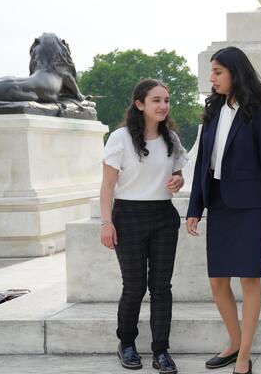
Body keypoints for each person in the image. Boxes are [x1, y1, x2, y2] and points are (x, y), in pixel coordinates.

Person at [186, 47, 261, 374]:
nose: (212, 78)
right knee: (217, 281)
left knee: (249, 281)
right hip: (218, 204)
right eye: (211, 72)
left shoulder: (258, 112)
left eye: (217, 72)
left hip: (252, 208)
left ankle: (244, 355)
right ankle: (233, 341)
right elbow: (203, 161)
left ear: (234, 72)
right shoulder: (213, 108)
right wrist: (194, 208)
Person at [100, 78, 187, 374]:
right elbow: (108, 185)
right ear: (140, 104)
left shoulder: (171, 139)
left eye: (166, 100)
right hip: (128, 216)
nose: (163, 106)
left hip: (163, 215)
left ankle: (161, 351)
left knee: (161, 287)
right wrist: (106, 223)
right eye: (156, 100)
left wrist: (178, 181)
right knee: (134, 286)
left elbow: (177, 176)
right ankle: (126, 343)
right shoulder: (119, 139)